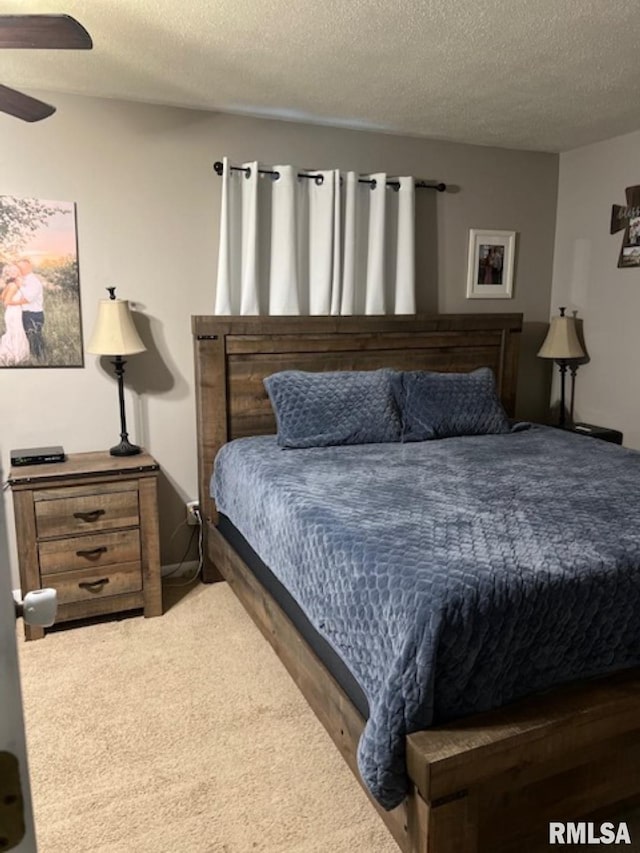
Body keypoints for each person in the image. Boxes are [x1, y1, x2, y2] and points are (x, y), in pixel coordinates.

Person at [0, 264, 30, 366]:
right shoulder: (13, 285)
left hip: (11, 312)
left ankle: (10, 355)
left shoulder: (10, 284)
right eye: (11, 271)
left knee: (13, 333)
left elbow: (1, 297)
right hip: (13, 313)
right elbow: (6, 302)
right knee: (15, 333)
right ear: (9, 273)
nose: (14, 272)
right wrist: (22, 302)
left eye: (15, 270)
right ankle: (16, 357)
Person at [17, 257, 45, 360]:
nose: (20, 269)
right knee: (27, 339)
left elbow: (28, 298)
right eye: (19, 267)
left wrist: (20, 286)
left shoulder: (34, 281)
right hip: (26, 314)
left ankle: (40, 361)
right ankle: (30, 359)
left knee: (34, 340)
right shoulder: (23, 279)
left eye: (22, 267)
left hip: (33, 314)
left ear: (29, 267)